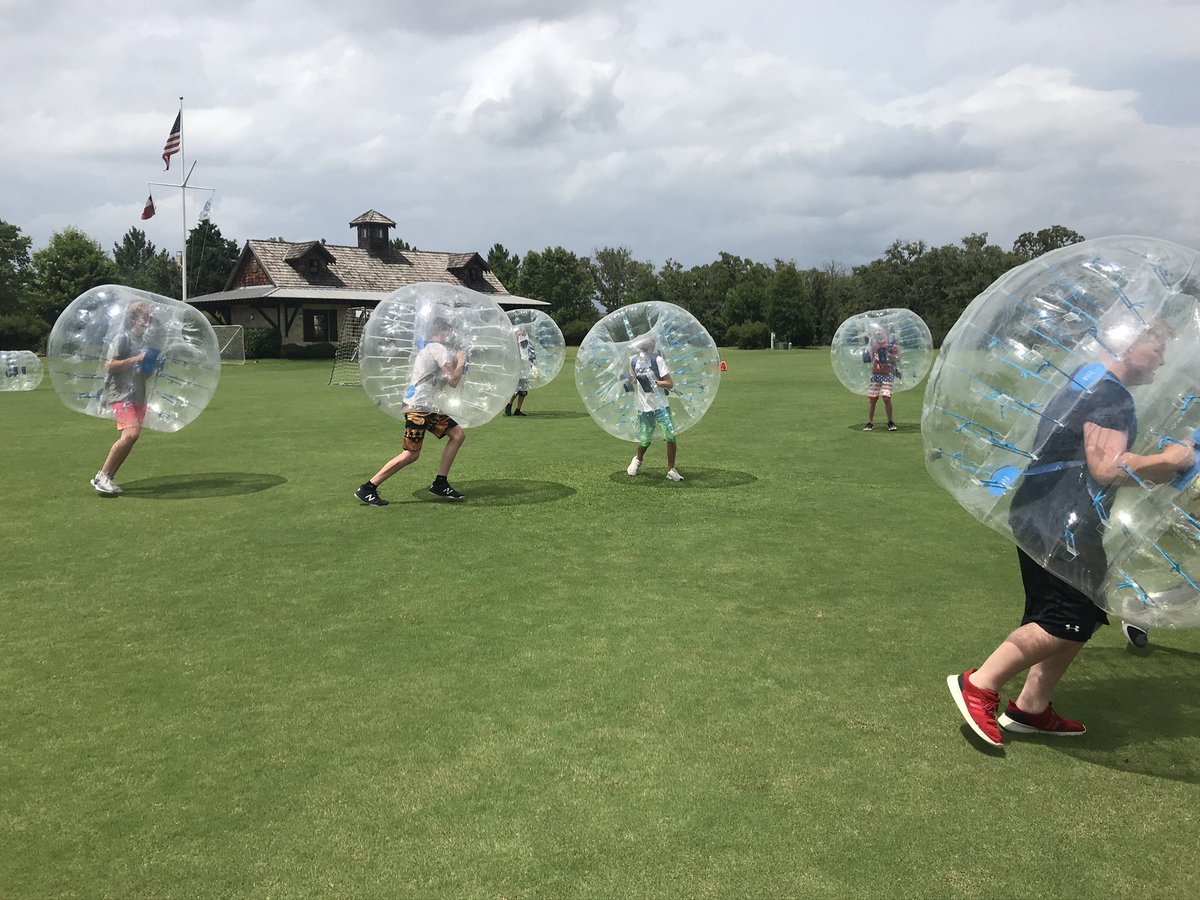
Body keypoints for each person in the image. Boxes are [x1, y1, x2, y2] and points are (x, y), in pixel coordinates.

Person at [948, 321, 1194, 746]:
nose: (1162, 359)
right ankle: (980, 684)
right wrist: (1171, 459)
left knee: (1084, 611)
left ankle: (1031, 706)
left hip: (1050, 515)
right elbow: (1108, 467)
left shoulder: (1088, 382)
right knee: (1064, 619)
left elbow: (1094, 465)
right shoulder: (1111, 395)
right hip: (1060, 521)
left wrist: (1159, 471)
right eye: (1156, 348)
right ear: (1128, 344)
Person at [354, 316, 468, 505]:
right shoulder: (438, 349)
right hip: (419, 409)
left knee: (457, 434)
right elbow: (452, 381)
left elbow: (439, 382)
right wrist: (461, 362)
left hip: (425, 407)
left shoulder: (428, 349)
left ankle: (440, 482)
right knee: (411, 454)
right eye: (449, 332)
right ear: (441, 332)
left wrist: (455, 365)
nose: (451, 336)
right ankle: (368, 487)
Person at [92, 300, 154, 496]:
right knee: (131, 434)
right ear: (135, 318)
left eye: (149, 317)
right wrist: (136, 359)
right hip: (120, 393)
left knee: (131, 437)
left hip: (137, 393)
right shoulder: (123, 338)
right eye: (145, 316)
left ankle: (107, 477)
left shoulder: (143, 342)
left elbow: (141, 372)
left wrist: (151, 364)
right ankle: (101, 476)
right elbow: (109, 365)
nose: (148, 321)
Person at [625, 337, 683, 481]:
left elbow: (669, 383)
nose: (642, 352)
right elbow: (633, 379)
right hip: (644, 407)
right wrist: (628, 380)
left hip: (661, 405)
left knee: (670, 435)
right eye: (640, 349)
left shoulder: (657, 360)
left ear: (651, 348)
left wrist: (654, 382)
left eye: (645, 349)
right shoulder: (633, 361)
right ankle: (638, 460)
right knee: (645, 439)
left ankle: (671, 469)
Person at [863, 325, 899, 431]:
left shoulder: (890, 343)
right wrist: (866, 356)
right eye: (876, 330)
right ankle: (869, 422)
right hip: (876, 374)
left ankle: (890, 421)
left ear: (884, 331)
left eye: (880, 330)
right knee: (873, 398)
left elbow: (897, 357)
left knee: (886, 398)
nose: (878, 332)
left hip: (887, 374)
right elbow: (868, 356)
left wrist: (888, 355)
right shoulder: (873, 343)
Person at [504, 329, 536, 417]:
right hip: (518, 372)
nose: (521, 338)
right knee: (515, 391)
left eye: (523, 335)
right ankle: (508, 406)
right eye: (520, 336)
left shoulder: (528, 346)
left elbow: (532, 357)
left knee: (523, 392)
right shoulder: (514, 347)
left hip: (526, 372)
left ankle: (518, 410)